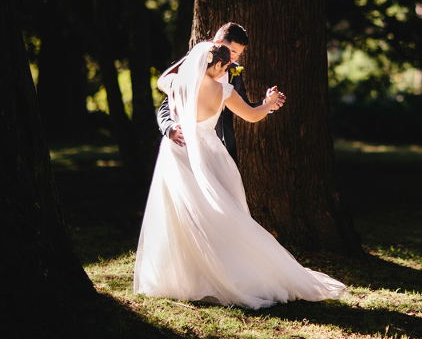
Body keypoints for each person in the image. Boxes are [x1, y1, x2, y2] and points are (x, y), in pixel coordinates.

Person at [134, 42, 346, 308]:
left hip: (176, 152)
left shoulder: (176, 83)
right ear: (220, 65)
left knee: (179, 213)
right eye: (225, 66)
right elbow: (253, 116)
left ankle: (184, 277)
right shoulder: (223, 90)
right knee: (220, 214)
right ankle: (229, 269)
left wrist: (187, 60)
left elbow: (163, 78)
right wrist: (269, 103)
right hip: (208, 152)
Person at [157, 23, 281, 164]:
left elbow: (244, 106)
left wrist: (267, 104)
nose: (234, 59)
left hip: (222, 148)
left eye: (238, 54)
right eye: (232, 52)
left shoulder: (235, 71)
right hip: (186, 146)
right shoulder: (192, 65)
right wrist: (169, 127)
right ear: (217, 43)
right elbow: (167, 103)